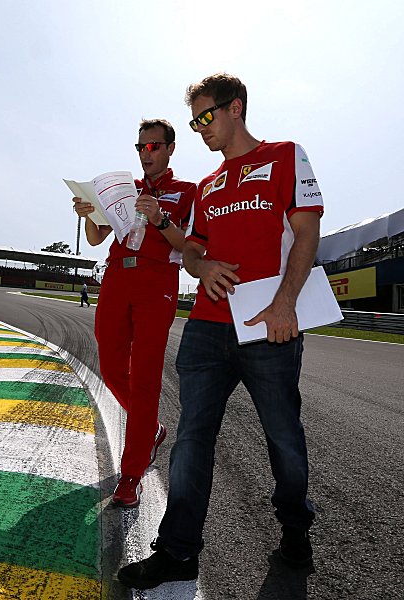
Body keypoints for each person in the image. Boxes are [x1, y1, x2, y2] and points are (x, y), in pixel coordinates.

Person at [118, 73, 323, 591]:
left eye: (205, 117)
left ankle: (296, 527)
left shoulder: (285, 155)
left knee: (283, 438)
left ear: (235, 109)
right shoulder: (208, 185)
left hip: (266, 326)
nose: (199, 128)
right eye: (194, 121)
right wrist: (202, 266)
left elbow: (306, 231)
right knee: (191, 438)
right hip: (208, 328)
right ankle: (178, 552)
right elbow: (191, 251)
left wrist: (284, 304)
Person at [73, 119, 196, 509]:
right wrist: (88, 213)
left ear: (171, 148)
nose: (147, 153)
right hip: (116, 278)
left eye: (154, 146)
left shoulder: (187, 192)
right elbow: (96, 238)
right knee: (110, 366)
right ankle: (151, 429)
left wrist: (160, 218)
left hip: (157, 282)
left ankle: (131, 474)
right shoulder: (125, 189)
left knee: (144, 376)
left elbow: (191, 248)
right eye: (141, 147)